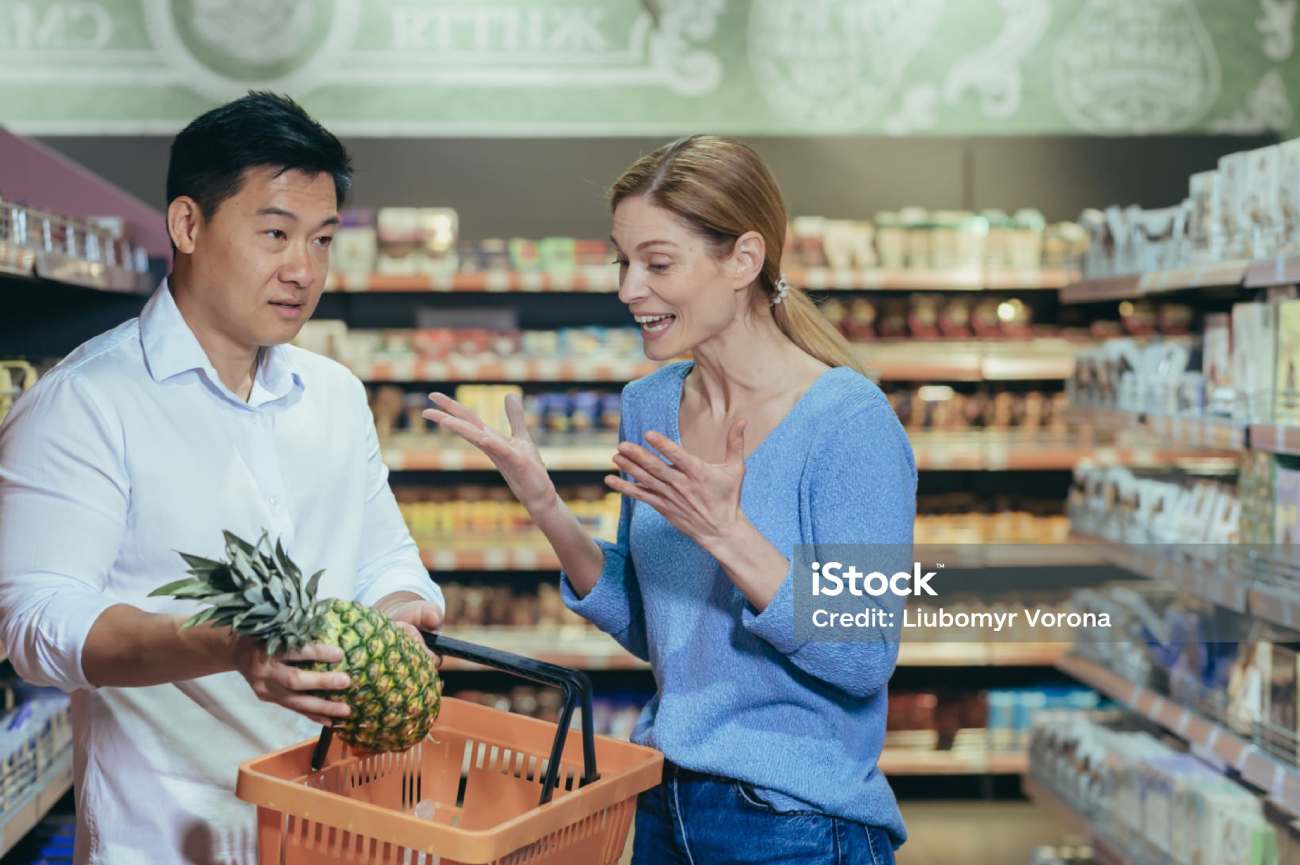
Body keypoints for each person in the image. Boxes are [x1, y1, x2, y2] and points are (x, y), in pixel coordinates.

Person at [422, 135, 915, 865]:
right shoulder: (650, 403)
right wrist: (544, 503)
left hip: (797, 822)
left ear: (743, 260)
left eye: (658, 263)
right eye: (624, 262)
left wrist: (727, 533)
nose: (629, 289)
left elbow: (864, 652)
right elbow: (661, 635)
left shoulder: (847, 421)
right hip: (665, 802)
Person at [0, 92, 445, 865]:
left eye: (323, 240)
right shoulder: (85, 402)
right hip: (166, 836)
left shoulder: (335, 396)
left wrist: (401, 618)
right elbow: (39, 624)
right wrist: (230, 644)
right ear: (187, 225)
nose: (302, 269)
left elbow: (384, 558)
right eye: (275, 233)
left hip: (337, 828)